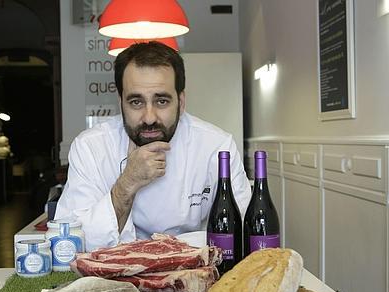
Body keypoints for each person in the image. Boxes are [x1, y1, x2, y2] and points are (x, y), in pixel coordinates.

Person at [55, 41, 251, 251]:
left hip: (195, 269)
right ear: (120, 102)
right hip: (117, 273)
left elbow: (241, 229)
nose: (149, 118)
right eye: (136, 102)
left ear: (181, 102)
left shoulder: (216, 147)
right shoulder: (91, 148)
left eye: (162, 101)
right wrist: (128, 182)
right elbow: (69, 241)